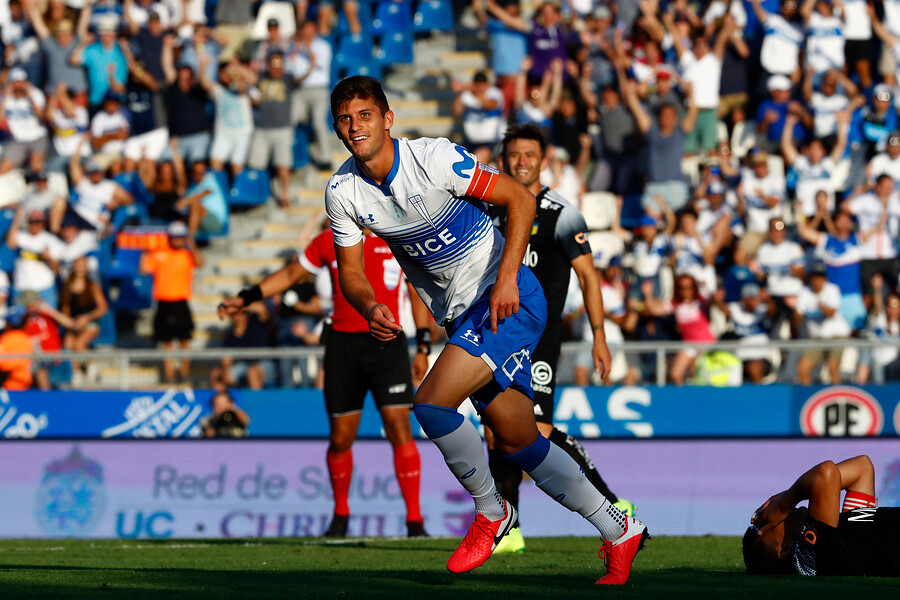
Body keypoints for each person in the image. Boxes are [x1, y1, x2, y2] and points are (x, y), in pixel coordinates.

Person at [314, 75, 648, 583]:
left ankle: (493, 511)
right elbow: (352, 274)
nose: (355, 126)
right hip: (462, 317)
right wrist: (368, 305)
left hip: (505, 300)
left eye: (365, 115)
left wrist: (508, 277)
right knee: (520, 442)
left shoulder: (434, 159)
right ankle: (618, 527)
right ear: (336, 128)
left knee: (431, 405)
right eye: (345, 119)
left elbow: (520, 200)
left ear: (387, 119)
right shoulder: (343, 191)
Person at [219, 225, 431, 538]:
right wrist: (247, 297)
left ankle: (414, 521)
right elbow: (291, 274)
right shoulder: (329, 240)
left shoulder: (395, 234)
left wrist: (423, 345)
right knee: (341, 438)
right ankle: (340, 515)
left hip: (387, 344)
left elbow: (415, 290)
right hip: (342, 345)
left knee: (399, 428)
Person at [487, 123, 634, 554]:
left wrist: (599, 337)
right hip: (495, 335)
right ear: (503, 159)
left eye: (529, 155)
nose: (521, 162)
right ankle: (509, 528)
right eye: (514, 154)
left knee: (534, 428)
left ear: (544, 160)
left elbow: (588, 277)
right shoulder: (490, 207)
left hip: (539, 338)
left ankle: (610, 502)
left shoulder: (562, 212)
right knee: (496, 431)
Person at [744, 455, 900, 576]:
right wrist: (782, 505)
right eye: (770, 523)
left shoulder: (847, 534)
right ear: (784, 549)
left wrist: (788, 497)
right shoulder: (814, 555)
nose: (776, 516)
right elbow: (826, 473)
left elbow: (862, 468)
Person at [140, 220, 203, 383]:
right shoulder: (159, 253)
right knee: (166, 343)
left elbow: (200, 263)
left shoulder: (187, 254)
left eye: (181, 237)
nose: (178, 240)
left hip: (180, 302)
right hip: (164, 302)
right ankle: (169, 377)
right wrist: (146, 251)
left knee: (184, 341)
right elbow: (144, 269)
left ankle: (184, 374)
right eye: (175, 237)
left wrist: (192, 245)